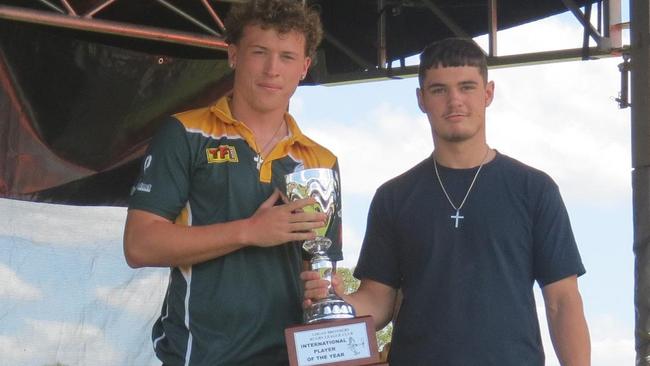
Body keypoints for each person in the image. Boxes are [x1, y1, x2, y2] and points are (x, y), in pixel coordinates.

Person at [302, 37, 590, 365]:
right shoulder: (393, 197)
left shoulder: (534, 189)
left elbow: (563, 301)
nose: (455, 101)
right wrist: (339, 303)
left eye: (467, 87)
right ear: (421, 99)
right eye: (439, 90)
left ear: (488, 93)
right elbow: (378, 301)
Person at [123, 1, 342, 365]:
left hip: (290, 357)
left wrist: (323, 288)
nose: (273, 69)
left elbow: (318, 264)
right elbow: (139, 245)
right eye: (260, 52)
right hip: (200, 355)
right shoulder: (185, 132)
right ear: (234, 55)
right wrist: (249, 231)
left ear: (304, 67)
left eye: (287, 57)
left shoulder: (321, 160)